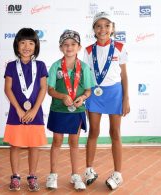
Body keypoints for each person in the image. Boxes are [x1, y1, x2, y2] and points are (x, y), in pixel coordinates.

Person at [83, 12, 130, 190]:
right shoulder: (88, 50)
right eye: (99, 26)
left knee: (115, 133)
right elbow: (86, 76)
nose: (103, 29)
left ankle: (118, 173)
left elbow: (124, 75)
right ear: (94, 29)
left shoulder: (120, 47)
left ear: (112, 28)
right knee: (93, 131)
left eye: (106, 25)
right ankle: (89, 169)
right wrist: (84, 95)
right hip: (95, 94)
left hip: (115, 93)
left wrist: (126, 98)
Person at [46, 30, 95, 191]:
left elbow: (88, 90)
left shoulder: (85, 68)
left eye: (73, 44)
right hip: (59, 109)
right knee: (57, 141)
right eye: (66, 45)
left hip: (77, 110)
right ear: (61, 47)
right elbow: (50, 90)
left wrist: (83, 98)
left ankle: (75, 175)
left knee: (74, 142)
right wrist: (62, 95)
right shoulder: (55, 66)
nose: (69, 47)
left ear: (79, 47)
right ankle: (53, 174)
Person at [3, 28, 48, 192]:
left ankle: (32, 175)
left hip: (35, 113)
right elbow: (7, 89)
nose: (26, 46)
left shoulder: (41, 65)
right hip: (16, 113)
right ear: (17, 45)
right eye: (22, 43)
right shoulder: (11, 66)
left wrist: (35, 110)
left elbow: (43, 88)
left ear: (36, 45)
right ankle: (15, 176)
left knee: (34, 146)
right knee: (15, 145)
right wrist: (19, 110)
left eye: (31, 43)